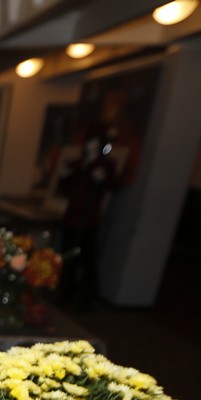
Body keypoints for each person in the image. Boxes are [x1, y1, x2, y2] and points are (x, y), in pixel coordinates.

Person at [58, 124, 119, 310]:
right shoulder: (77, 164)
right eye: (89, 141)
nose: (91, 145)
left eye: (95, 142)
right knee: (68, 256)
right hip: (72, 217)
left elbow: (111, 189)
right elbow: (64, 188)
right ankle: (65, 293)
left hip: (88, 220)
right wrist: (64, 176)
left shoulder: (105, 166)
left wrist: (102, 180)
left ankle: (86, 298)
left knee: (87, 260)